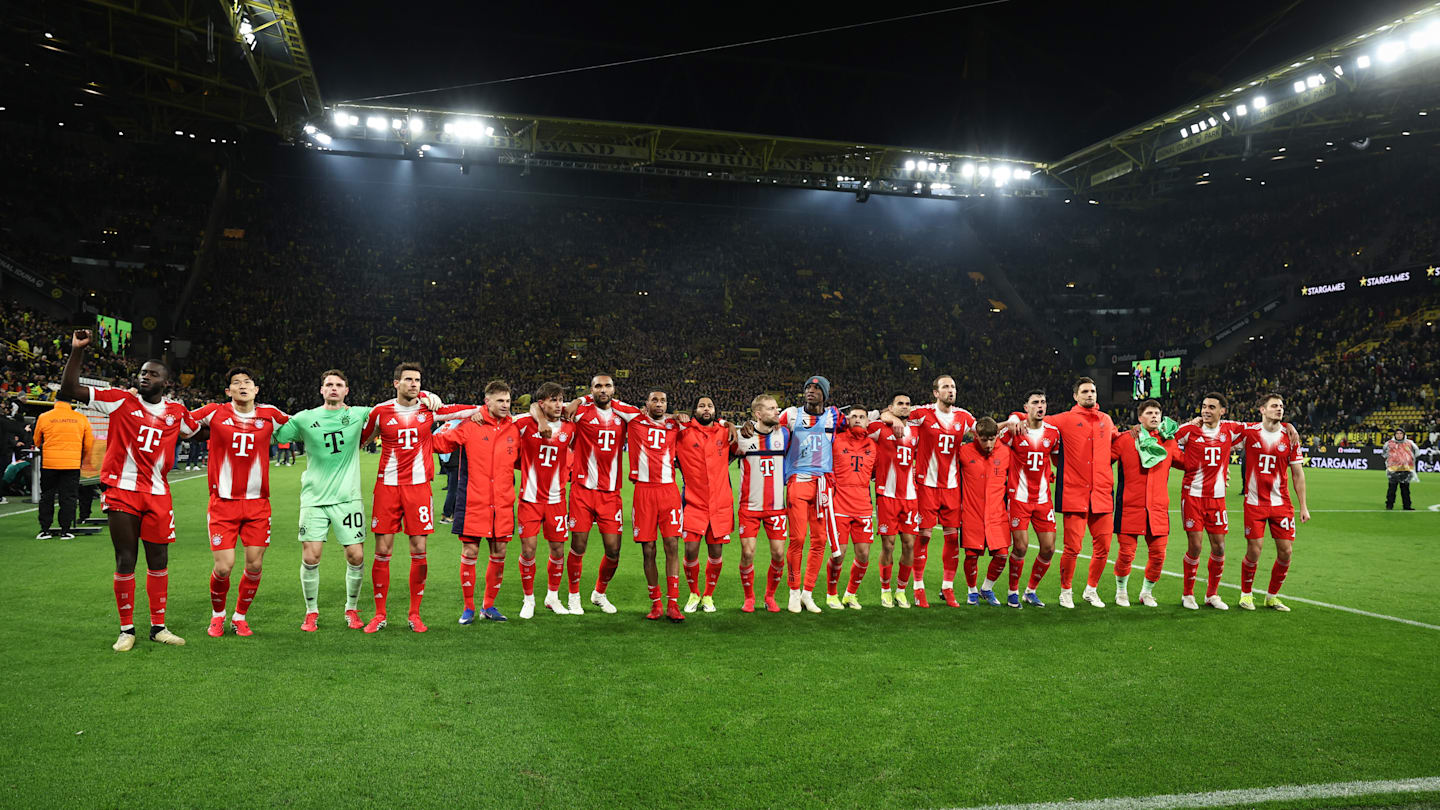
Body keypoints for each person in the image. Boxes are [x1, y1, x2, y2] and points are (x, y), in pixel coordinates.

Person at [59, 329, 198, 651]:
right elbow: (68, 389)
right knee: (126, 558)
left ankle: (158, 627)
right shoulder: (119, 399)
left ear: (166, 383)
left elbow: (197, 431)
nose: (145, 377)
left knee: (159, 559)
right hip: (122, 490)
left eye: (153, 374)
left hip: (158, 494)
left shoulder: (177, 412)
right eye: (142, 373)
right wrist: (77, 350)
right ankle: (126, 629)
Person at [359, 362, 470, 634]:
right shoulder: (380, 412)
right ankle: (380, 614)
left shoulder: (429, 409)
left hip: (419, 488)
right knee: (382, 551)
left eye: (418, 380)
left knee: (419, 550)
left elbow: (469, 410)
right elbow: (361, 439)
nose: (413, 384)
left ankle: (414, 614)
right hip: (387, 488)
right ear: (396, 383)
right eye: (408, 379)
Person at [189, 368, 290, 636]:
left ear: (256, 390)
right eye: (236, 382)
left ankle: (240, 617)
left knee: (254, 565)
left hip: (258, 505)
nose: (242, 386)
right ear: (228, 391)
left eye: (247, 382)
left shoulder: (270, 414)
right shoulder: (214, 411)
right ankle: (218, 615)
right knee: (223, 567)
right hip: (223, 503)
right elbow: (181, 422)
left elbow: (301, 424)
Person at [272, 370, 374, 632]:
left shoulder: (358, 414)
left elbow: (389, 411)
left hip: (348, 498)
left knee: (356, 555)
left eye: (339, 384)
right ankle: (311, 612)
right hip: (314, 498)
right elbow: (278, 434)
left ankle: (351, 608)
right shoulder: (305, 418)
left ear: (346, 391)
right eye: (329, 384)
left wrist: (425, 396)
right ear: (321, 390)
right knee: (311, 556)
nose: (333, 388)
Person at [1005, 377, 1117, 609]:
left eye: (1093, 391)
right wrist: (1014, 418)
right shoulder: (1062, 421)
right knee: (1071, 548)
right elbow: (1034, 417)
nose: (1090, 394)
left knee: (1103, 547)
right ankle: (1065, 591)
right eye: (1084, 391)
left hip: (1102, 494)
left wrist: (1137, 431)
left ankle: (1091, 590)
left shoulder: (1106, 420)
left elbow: (1117, 442)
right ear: (1075, 396)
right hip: (1073, 494)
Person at [431, 380, 520, 624]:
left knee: (499, 552)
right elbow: (439, 443)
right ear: (487, 401)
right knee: (470, 551)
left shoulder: (514, 429)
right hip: (473, 501)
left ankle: (488, 606)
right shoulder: (470, 425)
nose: (505, 405)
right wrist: (415, 429)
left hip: (502, 502)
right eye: (500, 400)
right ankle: (468, 608)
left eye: (508, 400)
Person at [568, 375, 643, 614]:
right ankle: (573, 596)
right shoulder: (581, 412)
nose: (603, 390)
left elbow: (650, 414)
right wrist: (579, 400)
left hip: (610, 494)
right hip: (582, 490)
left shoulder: (624, 414)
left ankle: (599, 593)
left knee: (613, 550)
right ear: (591, 390)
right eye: (598, 386)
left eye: (607, 386)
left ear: (613, 389)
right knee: (578, 545)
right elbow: (547, 407)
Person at [774, 375, 846, 613]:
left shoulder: (834, 415)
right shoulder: (790, 414)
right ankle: (793, 592)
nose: (811, 391)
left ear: (825, 394)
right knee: (797, 539)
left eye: (816, 388)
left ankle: (808, 592)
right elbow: (768, 425)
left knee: (820, 540)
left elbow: (860, 421)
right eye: (808, 387)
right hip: (798, 480)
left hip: (823, 484)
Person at [906, 374, 975, 608]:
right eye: (946, 387)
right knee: (924, 536)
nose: (951, 390)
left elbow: (986, 430)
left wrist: (1015, 419)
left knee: (953, 538)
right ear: (936, 393)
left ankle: (947, 587)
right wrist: (891, 417)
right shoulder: (922, 413)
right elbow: (892, 412)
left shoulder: (963, 416)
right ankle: (918, 587)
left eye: (953, 386)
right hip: (926, 485)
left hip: (952, 487)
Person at [1236, 393, 1311, 611]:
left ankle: (1272, 596)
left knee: (1286, 552)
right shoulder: (1249, 432)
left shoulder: (1290, 437)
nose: (1279, 409)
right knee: (1254, 550)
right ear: (1262, 410)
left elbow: (1298, 474)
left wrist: (1303, 506)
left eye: (1281, 406)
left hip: (1281, 504)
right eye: (1274, 406)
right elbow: (1221, 436)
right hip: (1254, 503)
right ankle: (1246, 594)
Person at [1172, 393, 1246, 611]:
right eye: (1204, 406)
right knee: (1195, 546)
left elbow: (1260, 428)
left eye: (1212, 407)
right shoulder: (1190, 430)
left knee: (1219, 548)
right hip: (1193, 496)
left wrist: (1289, 427)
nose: (1206, 410)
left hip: (1217, 499)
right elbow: (1167, 441)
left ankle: (1212, 594)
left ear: (1222, 411)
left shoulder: (1229, 429)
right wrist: (1185, 463)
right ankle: (1188, 594)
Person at [513, 382, 578, 618]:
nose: (559, 404)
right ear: (542, 403)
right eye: (553, 400)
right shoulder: (524, 424)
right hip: (529, 500)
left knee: (558, 550)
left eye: (561, 399)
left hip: (557, 500)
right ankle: (528, 599)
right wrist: (539, 418)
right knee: (528, 550)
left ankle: (552, 597)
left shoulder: (570, 428)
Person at [1110, 400, 1184, 608]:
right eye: (1149, 413)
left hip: (1158, 509)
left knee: (1159, 555)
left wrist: (1219, 469)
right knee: (1126, 554)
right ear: (1140, 417)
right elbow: (1104, 460)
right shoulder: (1126, 440)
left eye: (1157, 413)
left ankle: (1147, 592)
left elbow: (1187, 463)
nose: (1154, 416)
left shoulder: (1168, 442)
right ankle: (1121, 591)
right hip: (1129, 507)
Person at [626, 390, 685, 622]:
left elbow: (705, 424)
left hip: (668, 491)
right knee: (648, 548)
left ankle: (673, 603)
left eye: (663, 401)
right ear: (646, 403)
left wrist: (729, 425)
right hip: (644, 492)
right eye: (654, 400)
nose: (659, 404)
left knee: (672, 545)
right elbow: (609, 402)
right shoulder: (634, 420)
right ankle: (656, 603)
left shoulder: (675, 425)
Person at [675, 396, 736, 613]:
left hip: (720, 503)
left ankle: (708, 595)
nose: (706, 409)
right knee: (691, 549)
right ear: (694, 411)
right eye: (701, 406)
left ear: (715, 410)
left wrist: (731, 424)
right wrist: (676, 417)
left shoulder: (725, 432)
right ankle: (694, 593)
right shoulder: (682, 432)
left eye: (710, 405)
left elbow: (744, 442)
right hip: (693, 502)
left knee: (716, 552)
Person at [1001, 388, 1060, 607]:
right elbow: (992, 444)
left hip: (1043, 499)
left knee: (1049, 548)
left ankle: (1030, 591)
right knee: (1021, 547)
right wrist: (1012, 419)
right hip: (1019, 498)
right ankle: (1012, 592)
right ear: (1026, 407)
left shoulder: (1053, 433)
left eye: (1043, 402)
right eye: (1035, 402)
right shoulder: (1015, 430)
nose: (1040, 406)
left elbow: (1056, 460)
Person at [732, 394, 790, 613]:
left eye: (777, 408)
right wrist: (730, 424)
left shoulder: (784, 434)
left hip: (776, 508)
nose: (777, 411)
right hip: (750, 508)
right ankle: (749, 598)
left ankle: (770, 596)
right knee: (748, 553)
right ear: (758, 413)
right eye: (771, 408)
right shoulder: (742, 436)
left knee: (779, 554)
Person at [957, 417, 1013, 606]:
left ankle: (987, 588)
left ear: (997, 435)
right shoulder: (964, 452)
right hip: (972, 513)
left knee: (1002, 555)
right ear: (976, 436)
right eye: (984, 440)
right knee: (971, 555)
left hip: (997, 514)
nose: (988, 444)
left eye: (992, 439)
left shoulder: (1005, 452)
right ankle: (972, 590)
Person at [872, 393, 920, 609]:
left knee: (909, 544)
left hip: (910, 496)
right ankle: (885, 590)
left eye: (908, 404)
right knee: (888, 545)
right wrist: (889, 418)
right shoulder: (880, 428)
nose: (904, 407)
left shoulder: (917, 430)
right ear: (890, 407)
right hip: (887, 495)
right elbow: (862, 422)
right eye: (900, 404)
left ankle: (901, 590)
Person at [831, 404, 876, 610]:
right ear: (847, 420)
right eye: (854, 416)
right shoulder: (836, 440)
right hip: (839, 504)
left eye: (862, 417)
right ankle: (832, 594)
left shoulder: (873, 445)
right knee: (839, 554)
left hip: (863, 506)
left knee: (864, 554)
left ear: (868, 421)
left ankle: (850, 594)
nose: (858, 419)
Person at [32, 396, 94, 540]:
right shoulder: (81, 418)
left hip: (49, 464)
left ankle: (45, 530)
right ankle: (65, 530)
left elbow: (37, 440)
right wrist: (80, 457)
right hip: (72, 464)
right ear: (71, 402)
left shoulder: (44, 417)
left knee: (47, 496)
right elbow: (88, 443)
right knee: (69, 497)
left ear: (55, 401)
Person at [1383, 429, 1419, 510]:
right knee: (1392, 489)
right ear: (1395, 435)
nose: (1399, 435)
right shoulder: (1389, 443)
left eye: (1401, 433)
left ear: (1404, 435)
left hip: (1406, 469)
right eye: (1397, 433)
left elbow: (1416, 453)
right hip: (1393, 470)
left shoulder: (1409, 443)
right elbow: (1384, 454)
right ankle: (1389, 505)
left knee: (1405, 490)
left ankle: (1407, 506)